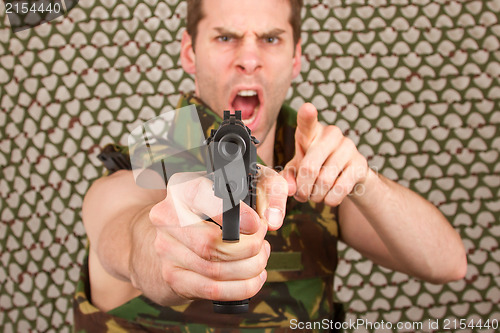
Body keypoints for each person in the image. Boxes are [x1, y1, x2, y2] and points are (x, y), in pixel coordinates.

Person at [74, 0, 467, 331]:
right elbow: (128, 238)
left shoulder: (313, 163)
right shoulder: (146, 162)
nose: (249, 59)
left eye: (271, 39)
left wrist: (364, 181)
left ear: (295, 57)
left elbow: (446, 264)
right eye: (225, 38)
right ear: (189, 52)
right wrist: (166, 244)